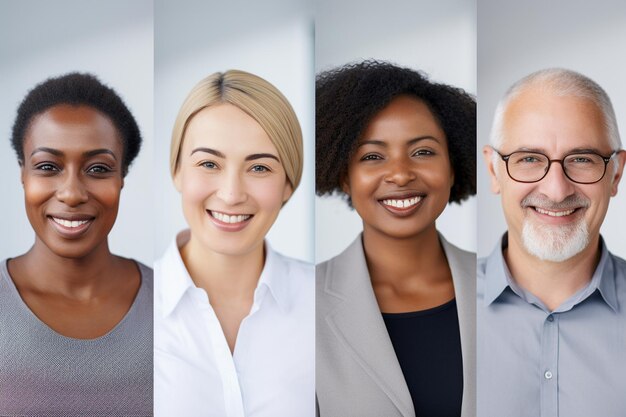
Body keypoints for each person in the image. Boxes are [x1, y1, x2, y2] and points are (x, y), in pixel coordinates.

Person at [316, 60, 476, 417]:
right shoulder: (300, 304)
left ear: (453, 167)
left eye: (422, 152)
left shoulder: (504, 286)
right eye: (372, 156)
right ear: (344, 177)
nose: (401, 174)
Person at [154, 70, 314, 417]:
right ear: (177, 171)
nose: (231, 194)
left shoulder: (327, 306)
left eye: (259, 168)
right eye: (209, 163)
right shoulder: (129, 311)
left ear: (289, 184)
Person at [0, 73, 153, 416]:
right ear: (23, 173)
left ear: (121, 178)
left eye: (98, 168)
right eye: (48, 166)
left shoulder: (173, 304)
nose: (71, 193)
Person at [479, 68, 626, 416]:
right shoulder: (445, 306)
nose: (556, 190)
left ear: (616, 173)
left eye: (582, 160)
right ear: (493, 171)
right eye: (529, 159)